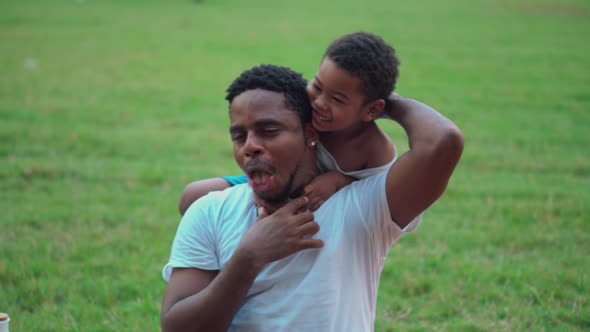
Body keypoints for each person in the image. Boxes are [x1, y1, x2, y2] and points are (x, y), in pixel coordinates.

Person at [160, 64, 463, 331]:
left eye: (269, 130)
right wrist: (249, 257)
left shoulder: (363, 206)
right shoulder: (210, 211)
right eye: (239, 136)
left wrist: (374, 100)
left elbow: (443, 142)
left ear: (310, 134)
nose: (249, 147)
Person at [178, 32, 403, 214]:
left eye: (337, 99)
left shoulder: (373, 148)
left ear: (372, 110)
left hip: (306, 190)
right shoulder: (315, 111)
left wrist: (340, 180)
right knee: (193, 195)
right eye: (317, 86)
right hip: (274, 173)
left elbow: (381, 189)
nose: (319, 103)